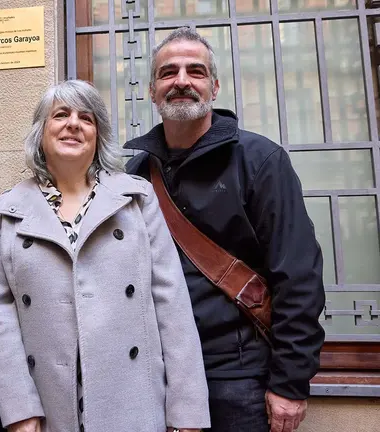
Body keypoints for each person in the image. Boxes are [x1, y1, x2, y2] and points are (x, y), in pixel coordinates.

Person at [125, 27, 326, 432]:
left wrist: (290, 383)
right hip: (158, 377)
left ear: (213, 86)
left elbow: (299, 276)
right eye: (168, 72)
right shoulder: (135, 175)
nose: (181, 80)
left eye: (195, 71)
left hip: (238, 380)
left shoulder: (260, 160)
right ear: (152, 90)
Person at [0, 79, 210, 432]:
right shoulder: (8, 210)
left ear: (97, 135)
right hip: (48, 405)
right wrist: (20, 410)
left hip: (133, 401)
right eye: (61, 115)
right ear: (41, 132)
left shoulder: (136, 199)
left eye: (86, 118)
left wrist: (186, 412)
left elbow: (172, 304)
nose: (73, 123)